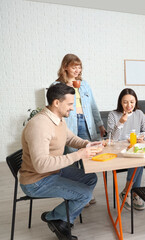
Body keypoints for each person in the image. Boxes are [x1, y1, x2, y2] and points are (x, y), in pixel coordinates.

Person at [20, 83, 99, 240]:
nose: (72, 108)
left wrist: (87, 144)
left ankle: (64, 219)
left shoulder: (58, 119)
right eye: (70, 104)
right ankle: (54, 218)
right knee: (85, 194)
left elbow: (69, 138)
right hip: (37, 181)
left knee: (91, 178)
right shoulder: (40, 125)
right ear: (56, 102)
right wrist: (79, 155)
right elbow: (41, 165)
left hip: (52, 172)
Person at [54, 54, 105, 206]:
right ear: (65, 67)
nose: (77, 70)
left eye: (79, 67)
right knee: (73, 159)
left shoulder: (84, 84)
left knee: (88, 158)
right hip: (69, 125)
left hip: (86, 123)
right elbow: (55, 107)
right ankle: (75, 194)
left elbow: (93, 105)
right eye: (74, 67)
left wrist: (100, 124)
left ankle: (87, 193)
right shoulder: (57, 85)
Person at [107, 88, 145, 210]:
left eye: (132, 102)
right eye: (125, 102)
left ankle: (130, 192)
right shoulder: (113, 115)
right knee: (137, 160)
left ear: (135, 102)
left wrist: (144, 136)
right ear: (120, 102)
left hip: (133, 149)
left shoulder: (139, 114)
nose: (129, 105)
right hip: (118, 152)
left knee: (139, 159)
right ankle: (131, 192)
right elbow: (112, 139)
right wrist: (121, 122)